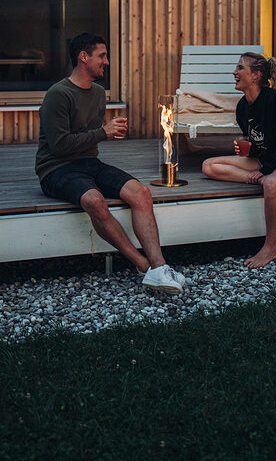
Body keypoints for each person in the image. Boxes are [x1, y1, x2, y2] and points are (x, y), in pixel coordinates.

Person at [35, 32, 186, 294]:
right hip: (56, 168)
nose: (106, 61)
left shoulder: (97, 93)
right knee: (94, 200)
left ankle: (160, 266)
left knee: (141, 192)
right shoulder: (58, 94)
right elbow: (59, 146)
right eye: (102, 56)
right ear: (84, 57)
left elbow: (89, 138)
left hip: (89, 162)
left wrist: (104, 133)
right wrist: (103, 132)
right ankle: (143, 265)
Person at [202, 53, 276, 269]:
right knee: (209, 166)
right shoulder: (242, 108)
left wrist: (266, 171)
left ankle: (270, 248)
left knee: (272, 183)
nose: (234, 72)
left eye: (240, 68)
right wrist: (250, 150)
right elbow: (263, 143)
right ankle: (257, 179)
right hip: (268, 161)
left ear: (256, 75)